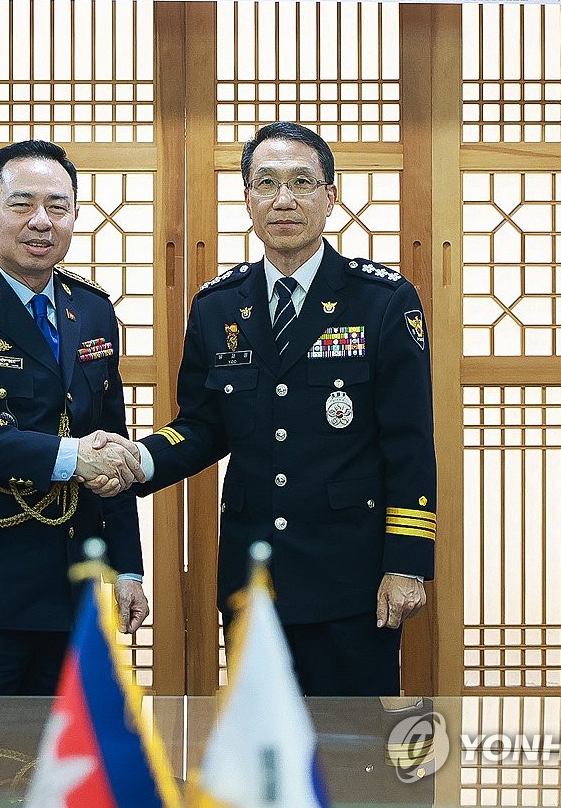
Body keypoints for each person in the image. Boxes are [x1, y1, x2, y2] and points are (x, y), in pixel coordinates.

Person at [133, 121, 437, 696]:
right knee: (261, 758)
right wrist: (139, 461)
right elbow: (201, 425)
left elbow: (411, 443)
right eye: (266, 184)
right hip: (255, 576)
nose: (284, 200)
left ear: (331, 195)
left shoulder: (382, 300)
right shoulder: (217, 305)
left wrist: (407, 561)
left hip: (352, 576)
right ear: (247, 198)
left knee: (353, 757)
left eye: (302, 183)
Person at [0, 139, 148, 695]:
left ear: (74, 216)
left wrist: (129, 568)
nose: (41, 222)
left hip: (77, 589)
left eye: (58, 207)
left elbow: (113, 442)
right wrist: (72, 458)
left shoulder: (91, 308)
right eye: (22, 204)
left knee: (72, 775)